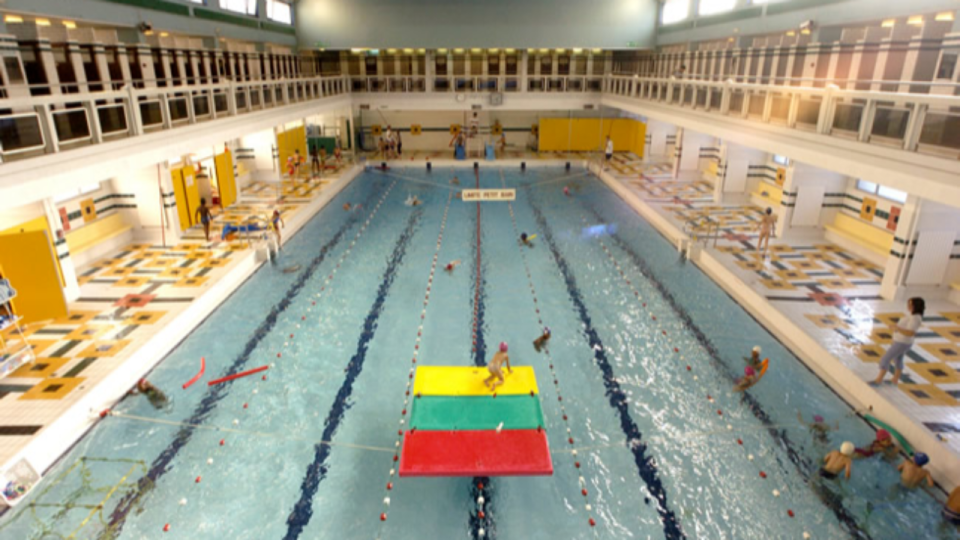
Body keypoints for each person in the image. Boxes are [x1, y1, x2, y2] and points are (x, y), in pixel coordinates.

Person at [872, 297, 925, 386]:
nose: (908, 306)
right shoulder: (912, 315)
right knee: (898, 359)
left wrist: (897, 328)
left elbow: (910, 333)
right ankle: (895, 379)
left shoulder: (915, 318)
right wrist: (897, 327)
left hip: (902, 342)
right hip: (902, 342)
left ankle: (879, 380)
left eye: (911, 305)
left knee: (885, 359)